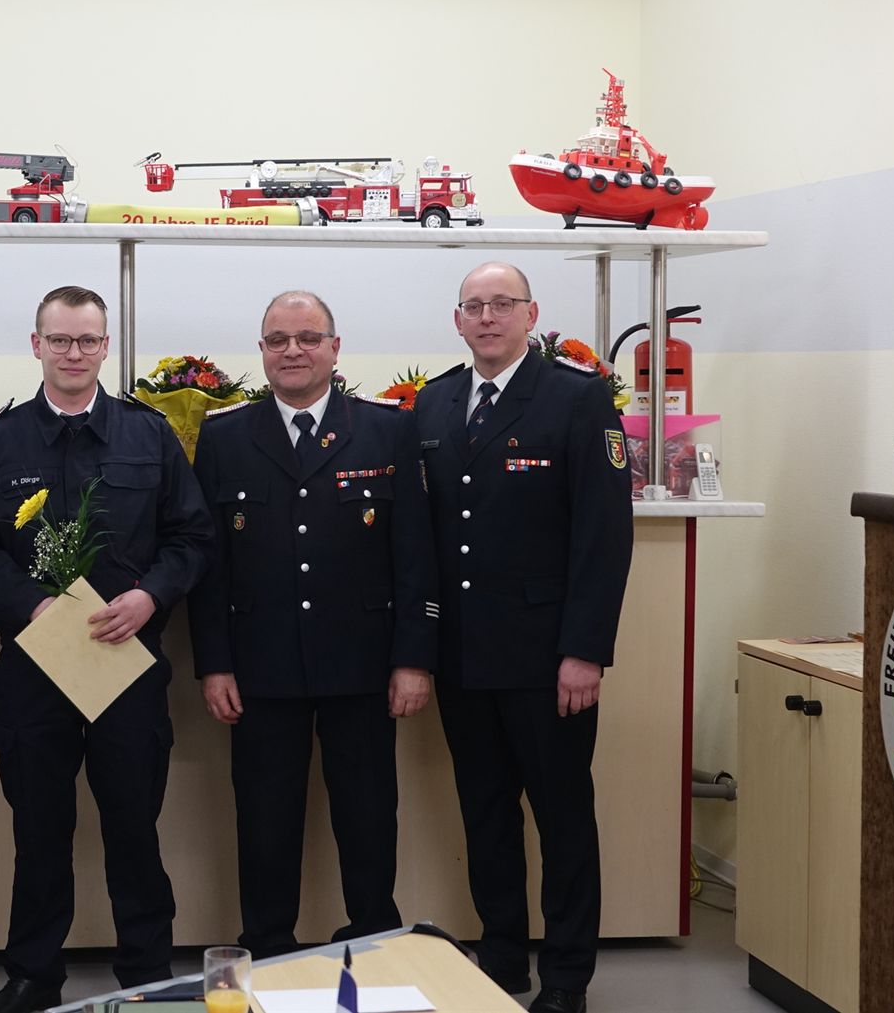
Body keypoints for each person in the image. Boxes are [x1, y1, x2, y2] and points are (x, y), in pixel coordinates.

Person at [0, 286, 214, 1013]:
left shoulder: (148, 435)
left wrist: (150, 595)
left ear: (105, 346)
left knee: (134, 827)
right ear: (36, 345)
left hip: (127, 667)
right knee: (39, 829)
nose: (73, 353)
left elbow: (192, 537)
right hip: (34, 668)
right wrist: (29, 606)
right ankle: (33, 976)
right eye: (59, 340)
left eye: (87, 340)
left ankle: (148, 976)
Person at [186, 290, 438, 960]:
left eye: (307, 338)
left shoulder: (386, 429)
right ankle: (268, 951)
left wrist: (413, 658)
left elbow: (415, 555)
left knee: (368, 816)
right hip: (260, 666)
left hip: (364, 664)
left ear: (334, 347)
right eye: (277, 340)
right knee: (264, 820)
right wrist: (214, 663)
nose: (292, 350)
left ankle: (374, 944)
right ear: (262, 350)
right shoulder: (225, 435)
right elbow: (209, 563)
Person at [411, 262, 634, 1013]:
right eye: (473, 306)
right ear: (457, 319)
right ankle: (504, 956)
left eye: (501, 304)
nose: (487, 317)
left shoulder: (577, 398)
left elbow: (604, 537)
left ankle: (566, 976)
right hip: (464, 655)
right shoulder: (436, 401)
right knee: (486, 814)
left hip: (548, 660)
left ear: (531, 314)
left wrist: (585, 650)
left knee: (562, 817)